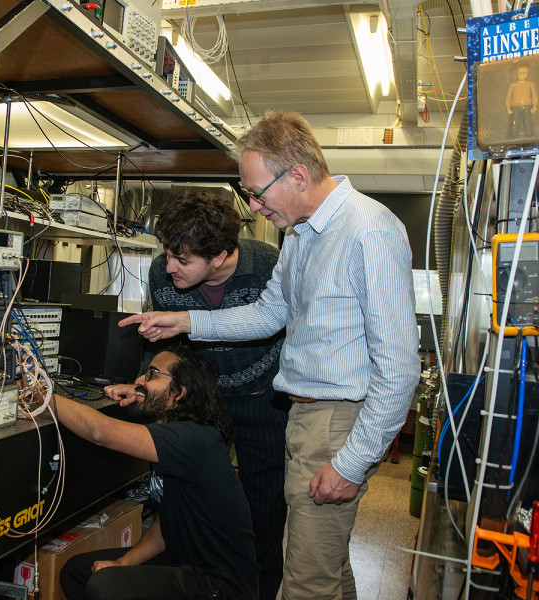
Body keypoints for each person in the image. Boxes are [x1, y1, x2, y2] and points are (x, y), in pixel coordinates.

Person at [120, 110, 421, 600]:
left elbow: (399, 365)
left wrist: (352, 462)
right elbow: (268, 314)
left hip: (336, 423)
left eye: (257, 191)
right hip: (304, 420)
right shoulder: (301, 235)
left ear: (298, 175)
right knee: (326, 567)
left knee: (305, 583)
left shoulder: (366, 229)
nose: (254, 206)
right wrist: (185, 321)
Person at [104, 190, 287, 599]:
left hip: (263, 398)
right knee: (187, 501)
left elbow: (287, 327)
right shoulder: (161, 273)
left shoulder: (269, 267)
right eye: (168, 253)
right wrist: (141, 385)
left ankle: (259, 590)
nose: (168, 267)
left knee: (264, 508)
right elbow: (165, 348)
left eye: (182, 260)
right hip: (201, 401)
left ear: (219, 255)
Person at [55, 346, 259, 600]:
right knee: (76, 572)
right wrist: (123, 564)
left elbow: (100, 432)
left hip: (218, 585)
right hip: (180, 563)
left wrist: (45, 397)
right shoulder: (172, 435)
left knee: (107, 586)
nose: (140, 380)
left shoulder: (195, 439)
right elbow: (166, 528)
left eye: (152, 375)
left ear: (180, 393)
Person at [506, 64, 538, 139]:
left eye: (524, 73)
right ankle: (513, 135)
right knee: (514, 122)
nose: (521, 75)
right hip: (515, 107)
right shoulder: (513, 85)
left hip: (527, 106)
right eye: (519, 73)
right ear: (516, 74)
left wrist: (535, 105)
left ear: (528, 74)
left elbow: (534, 95)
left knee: (527, 121)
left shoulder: (530, 84)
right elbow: (508, 96)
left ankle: (530, 135)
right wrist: (508, 108)